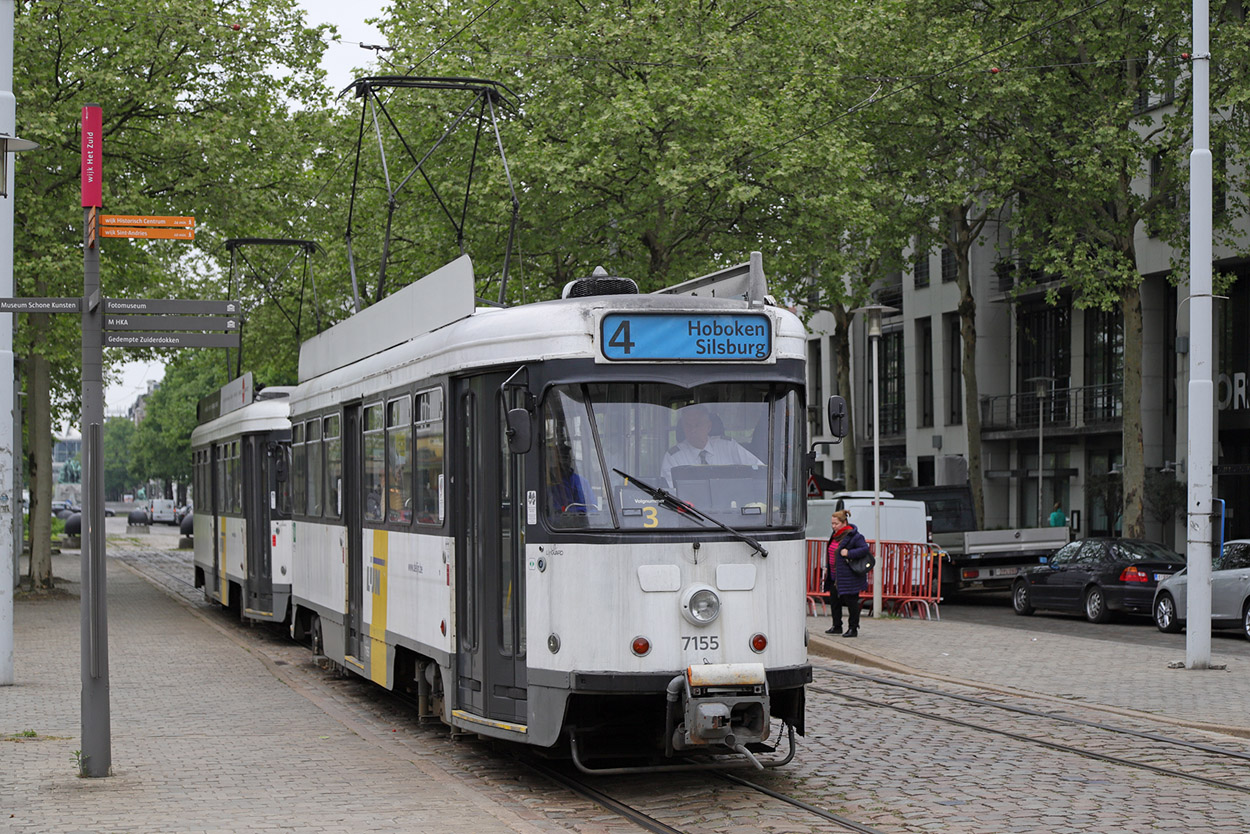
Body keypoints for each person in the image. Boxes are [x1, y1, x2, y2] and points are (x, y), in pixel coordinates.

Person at [660, 404, 763, 489]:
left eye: (697, 425)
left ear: (708, 426)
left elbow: (759, 470)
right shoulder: (673, 457)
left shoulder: (728, 446)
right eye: (688, 425)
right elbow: (670, 493)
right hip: (689, 507)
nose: (692, 430)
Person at [824, 508, 871, 638]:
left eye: (836, 524)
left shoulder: (854, 536)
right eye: (832, 523)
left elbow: (864, 549)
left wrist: (849, 553)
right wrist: (828, 567)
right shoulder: (834, 536)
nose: (833, 526)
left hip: (849, 576)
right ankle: (837, 626)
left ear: (844, 523)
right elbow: (831, 553)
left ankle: (853, 628)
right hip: (834, 575)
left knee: (851, 603)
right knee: (834, 601)